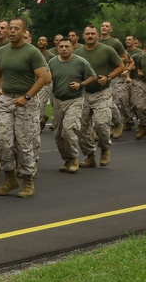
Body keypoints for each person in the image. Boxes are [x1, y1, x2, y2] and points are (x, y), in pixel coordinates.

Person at [0, 17, 50, 198]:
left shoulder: (32, 52)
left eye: (17, 28)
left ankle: (27, 181)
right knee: (2, 140)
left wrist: (27, 96)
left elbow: (43, 78)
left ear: (24, 32)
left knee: (24, 143)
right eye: (10, 28)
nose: (12, 31)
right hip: (6, 100)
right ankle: (9, 178)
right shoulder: (1, 52)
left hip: (26, 102)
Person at [74, 24, 124, 168]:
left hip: (102, 92)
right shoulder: (78, 52)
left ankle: (105, 149)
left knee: (102, 123)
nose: (90, 36)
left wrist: (108, 77)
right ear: (83, 36)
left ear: (97, 36)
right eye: (87, 34)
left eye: (92, 34)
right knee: (82, 128)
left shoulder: (107, 50)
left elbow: (121, 66)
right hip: (83, 94)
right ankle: (89, 156)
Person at [46, 39, 96, 173]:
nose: (64, 48)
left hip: (75, 100)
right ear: (57, 48)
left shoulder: (81, 62)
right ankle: (67, 159)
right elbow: (47, 78)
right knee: (58, 133)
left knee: (68, 129)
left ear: (72, 48)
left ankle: (74, 158)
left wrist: (81, 84)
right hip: (57, 100)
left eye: (67, 46)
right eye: (61, 46)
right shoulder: (52, 62)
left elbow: (93, 77)